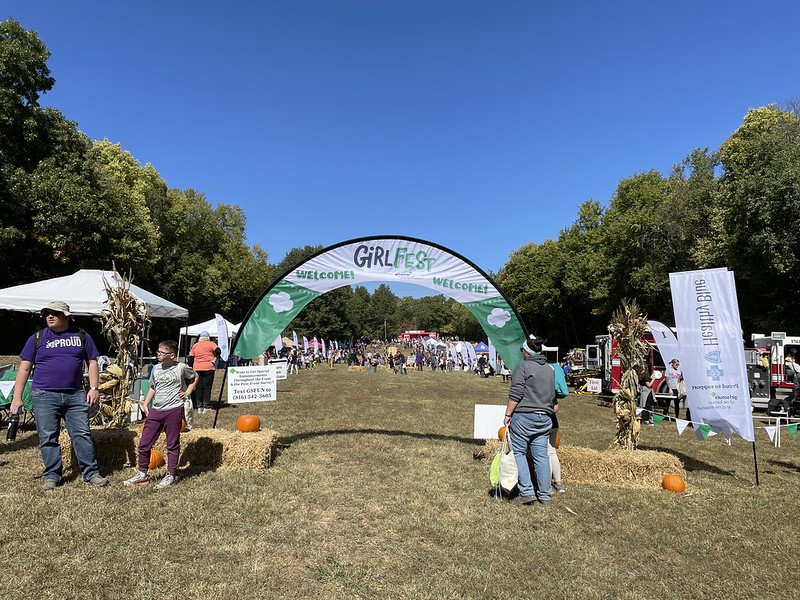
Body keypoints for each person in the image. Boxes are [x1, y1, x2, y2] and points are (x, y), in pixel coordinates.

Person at [10, 301, 109, 491]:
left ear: (67, 316)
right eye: (47, 313)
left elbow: (92, 362)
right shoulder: (37, 338)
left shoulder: (81, 335)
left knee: (82, 434)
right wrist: (17, 397)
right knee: (48, 437)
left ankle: (91, 474)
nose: (50, 316)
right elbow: (23, 369)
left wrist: (94, 387)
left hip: (75, 395)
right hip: (44, 395)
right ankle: (52, 476)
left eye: (55, 313)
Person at [124, 340, 196, 489]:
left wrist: (188, 392)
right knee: (144, 443)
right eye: (158, 352)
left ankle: (170, 474)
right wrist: (145, 403)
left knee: (172, 443)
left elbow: (195, 377)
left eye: (162, 353)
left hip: (174, 410)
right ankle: (142, 473)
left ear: (172, 355)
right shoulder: (156, 369)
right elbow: (153, 387)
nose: (158, 354)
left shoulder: (181, 368)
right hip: (156, 410)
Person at [503, 336, 556, 505]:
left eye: (522, 350)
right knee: (541, 456)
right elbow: (553, 396)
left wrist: (508, 414)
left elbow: (516, 393)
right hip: (545, 417)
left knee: (518, 453)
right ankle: (545, 495)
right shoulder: (549, 369)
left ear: (526, 352)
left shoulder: (523, 367)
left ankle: (526, 491)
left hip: (524, 416)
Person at [189, 331, 220, 414]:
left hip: (197, 368)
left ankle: (199, 406)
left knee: (198, 387)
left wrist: (190, 368)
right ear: (208, 337)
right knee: (207, 387)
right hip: (208, 367)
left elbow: (191, 358)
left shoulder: (195, 345)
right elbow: (218, 350)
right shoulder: (211, 344)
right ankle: (206, 406)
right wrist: (215, 359)